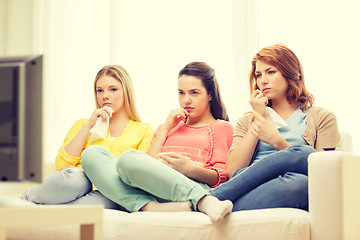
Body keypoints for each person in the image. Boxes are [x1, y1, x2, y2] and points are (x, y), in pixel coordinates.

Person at [81, 62, 234, 223]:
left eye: (194, 93)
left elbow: (222, 177)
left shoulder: (221, 128)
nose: (186, 100)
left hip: (191, 187)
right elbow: (141, 166)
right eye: (181, 93)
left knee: (127, 158)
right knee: (91, 155)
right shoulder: (167, 127)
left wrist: (190, 169)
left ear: (210, 94)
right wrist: (166, 127)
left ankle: (204, 200)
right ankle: (149, 207)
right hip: (155, 191)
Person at [211, 44, 339, 211]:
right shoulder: (247, 120)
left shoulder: (322, 118)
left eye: (271, 72)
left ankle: (210, 200)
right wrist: (259, 118)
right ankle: (212, 198)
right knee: (305, 154)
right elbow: (233, 170)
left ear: (290, 72)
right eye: (258, 75)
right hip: (246, 187)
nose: (263, 80)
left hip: (285, 187)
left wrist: (276, 141)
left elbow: (323, 175)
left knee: (302, 179)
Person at [22, 65, 154, 209]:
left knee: (107, 200)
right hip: (77, 183)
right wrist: (89, 125)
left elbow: (140, 175)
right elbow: (62, 166)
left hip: (109, 192)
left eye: (113, 89)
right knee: (77, 179)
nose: (105, 96)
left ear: (126, 92)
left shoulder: (144, 130)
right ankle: (24, 199)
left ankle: (39, 209)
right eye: (100, 90)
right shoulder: (83, 124)